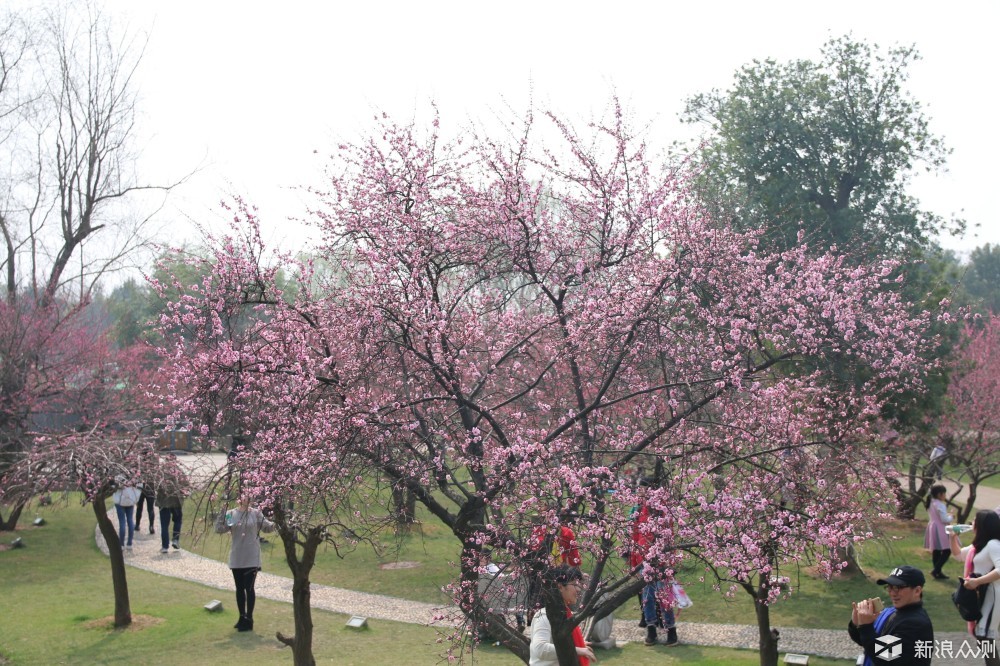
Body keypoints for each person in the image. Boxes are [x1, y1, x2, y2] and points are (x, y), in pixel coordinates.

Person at [847, 565, 933, 666]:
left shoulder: (916, 623)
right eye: (890, 587)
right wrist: (857, 624)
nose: (892, 593)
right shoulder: (893, 612)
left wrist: (866, 627)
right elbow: (868, 641)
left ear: (917, 591)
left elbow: (885, 657)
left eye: (898, 588)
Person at [215, 496, 275, 632]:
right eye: (244, 495)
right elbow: (220, 529)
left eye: (249, 496)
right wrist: (222, 513)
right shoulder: (231, 514)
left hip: (252, 556)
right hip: (237, 556)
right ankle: (241, 616)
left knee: (249, 588)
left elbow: (267, 527)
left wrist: (278, 522)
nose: (247, 498)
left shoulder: (255, 513)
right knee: (239, 589)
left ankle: (249, 618)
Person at [951, 509, 1000, 665]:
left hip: (991, 596)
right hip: (981, 597)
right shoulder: (977, 547)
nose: (972, 522)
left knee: (984, 637)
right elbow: (958, 555)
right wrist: (953, 538)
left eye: (975, 520)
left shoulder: (993, 545)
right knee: (983, 638)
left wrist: (978, 582)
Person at [629, 501, 678, 646]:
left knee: (665, 599)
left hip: (662, 563)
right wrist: (634, 564)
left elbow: (670, 538)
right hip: (644, 562)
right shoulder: (639, 512)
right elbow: (635, 538)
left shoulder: (663, 512)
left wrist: (670, 561)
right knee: (647, 598)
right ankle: (651, 629)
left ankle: (671, 630)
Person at [528, 565, 596, 666]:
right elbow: (540, 649)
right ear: (560, 587)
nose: (578, 589)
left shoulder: (566, 615)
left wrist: (577, 644)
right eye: (574, 584)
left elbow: (559, 642)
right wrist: (575, 649)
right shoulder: (544, 615)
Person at [924, 484, 954, 579]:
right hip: (941, 528)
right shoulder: (940, 505)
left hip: (933, 526)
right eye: (944, 493)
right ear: (939, 494)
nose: (945, 495)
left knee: (936, 550)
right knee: (947, 550)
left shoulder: (931, 502)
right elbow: (944, 519)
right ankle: (936, 570)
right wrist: (951, 516)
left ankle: (938, 572)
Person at [156, 471, 187, 554]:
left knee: (164, 525)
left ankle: (165, 546)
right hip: (176, 502)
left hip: (164, 502)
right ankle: (175, 540)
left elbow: (155, 486)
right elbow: (185, 485)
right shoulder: (179, 471)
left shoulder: (161, 472)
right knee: (177, 521)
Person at [112, 476, 141, 552]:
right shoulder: (133, 476)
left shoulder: (119, 475)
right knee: (130, 521)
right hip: (130, 501)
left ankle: (121, 544)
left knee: (122, 523)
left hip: (120, 502)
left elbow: (113, 486)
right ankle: (129, 543)